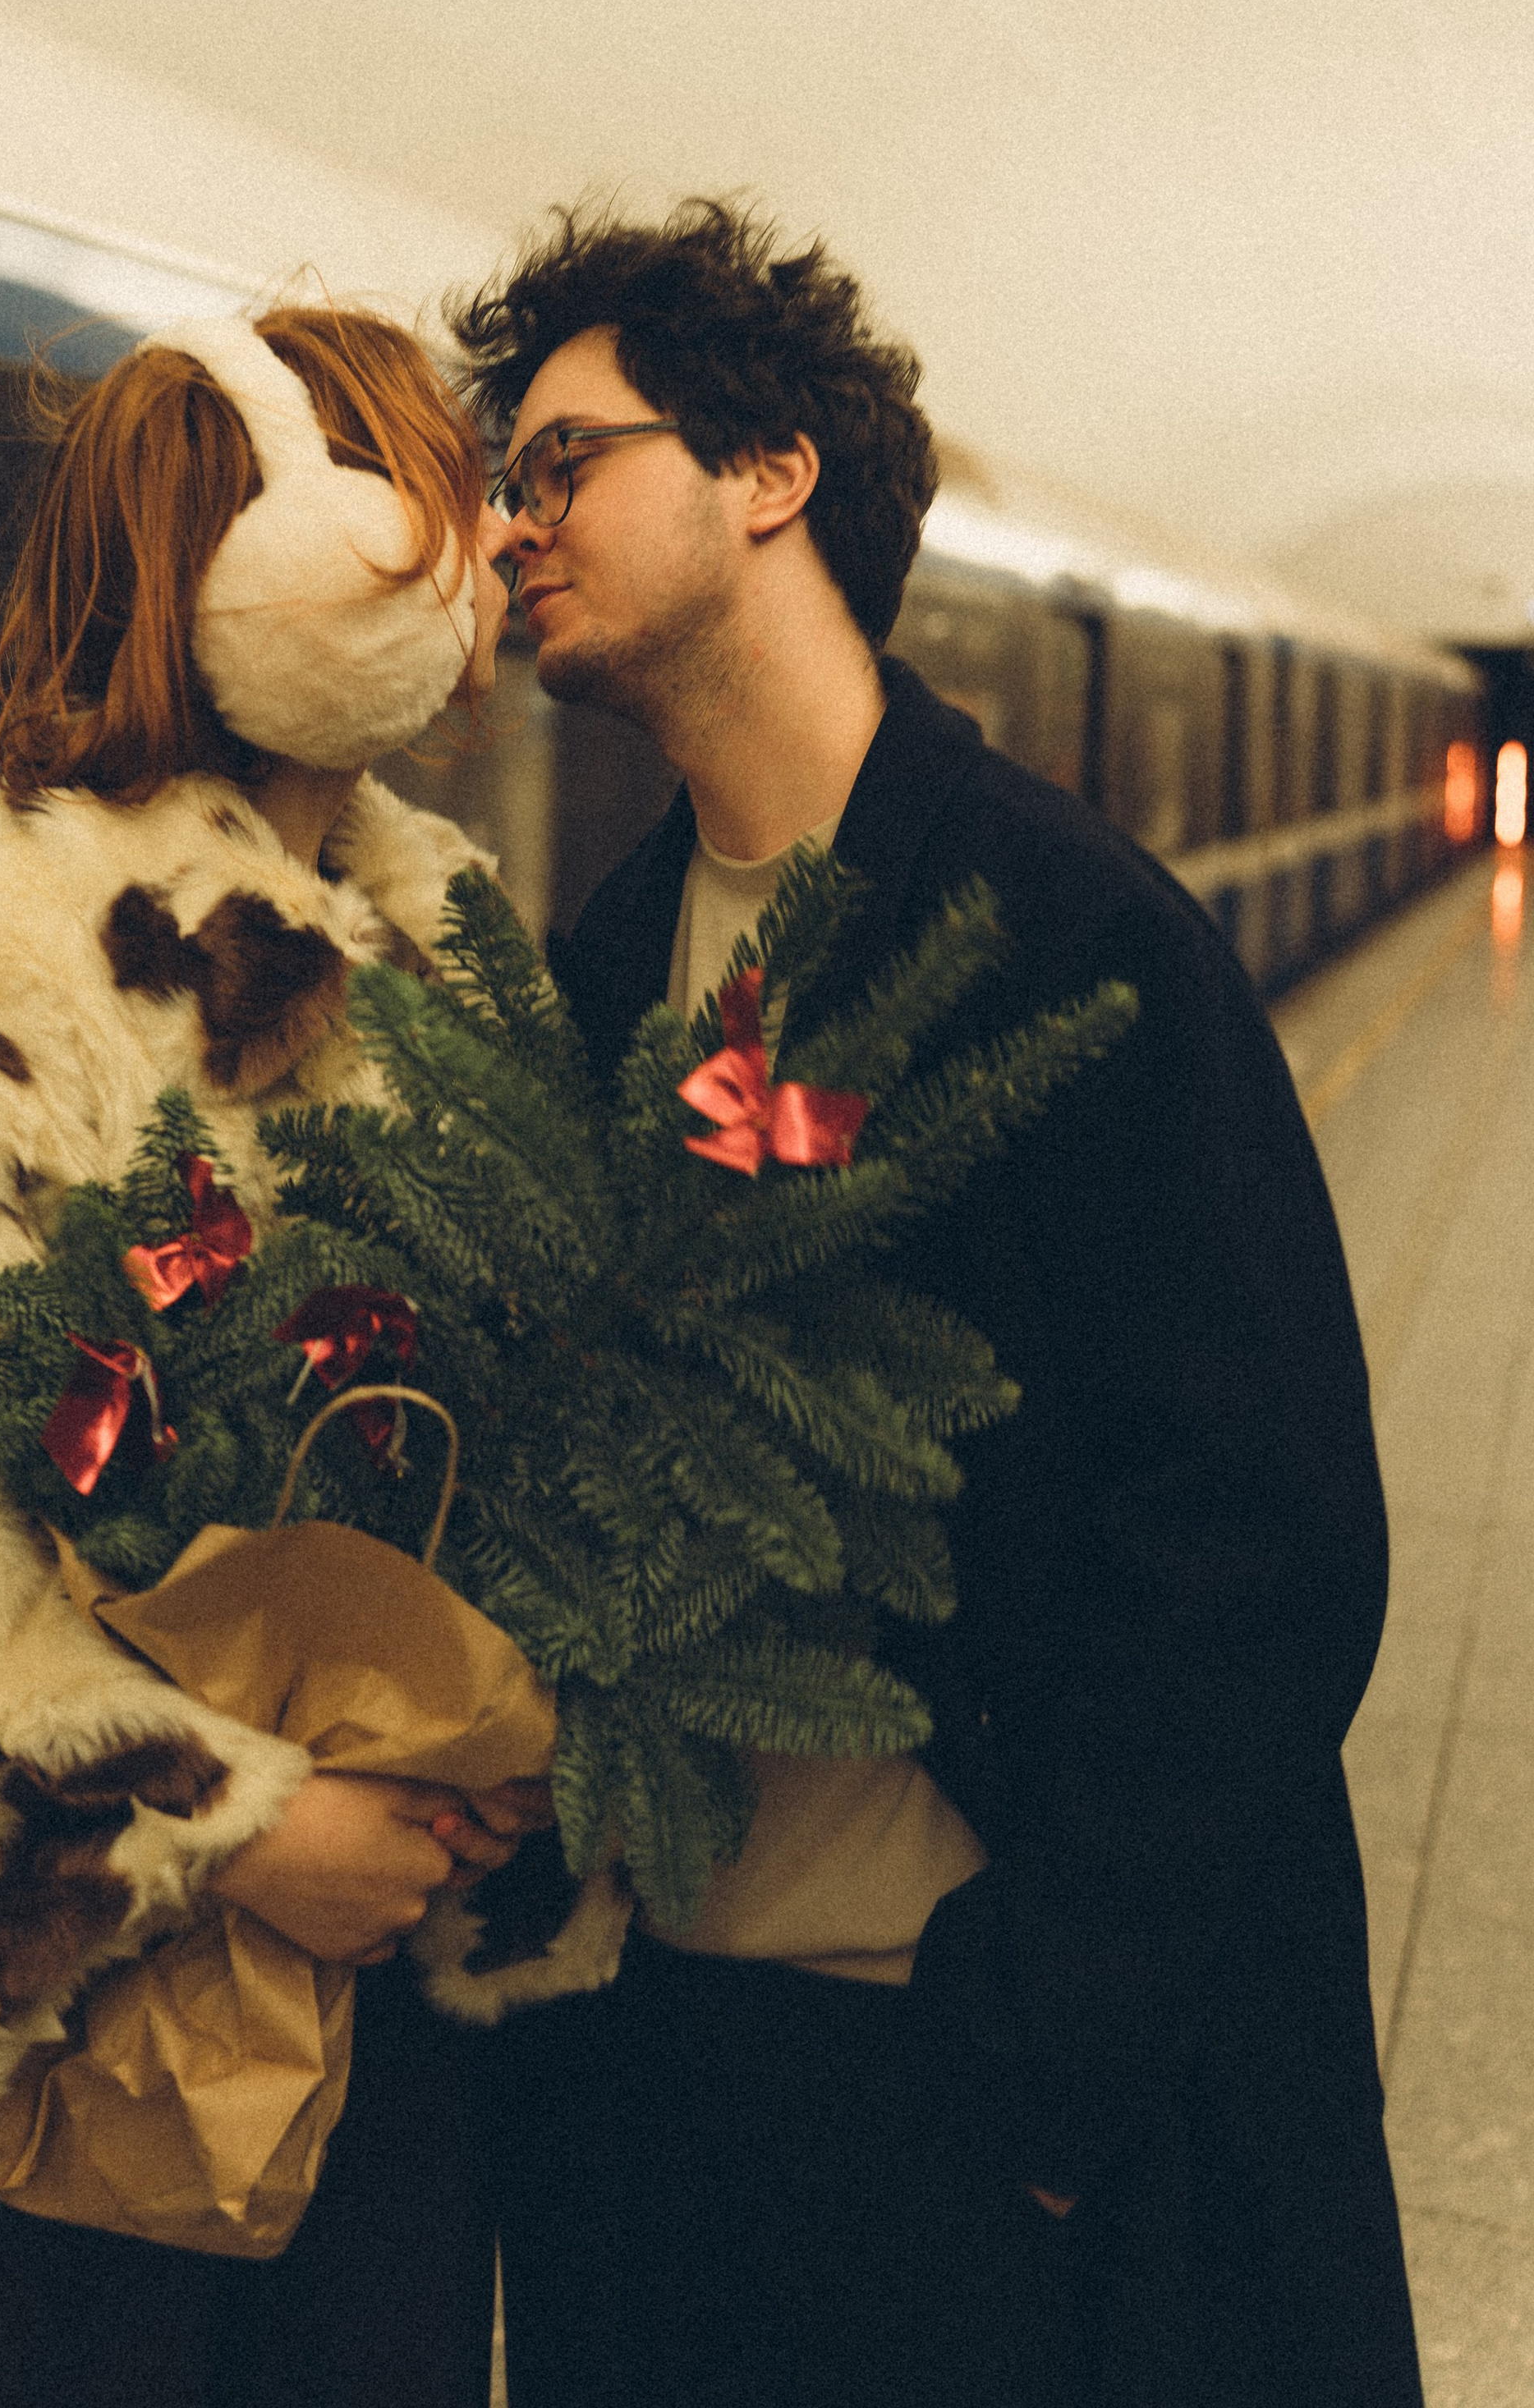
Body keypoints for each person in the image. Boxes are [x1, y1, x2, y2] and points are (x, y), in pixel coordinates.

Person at [452, 203, 1423, 2408]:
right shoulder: (611, 962)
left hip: (957, 2077)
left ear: (770, 470)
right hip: (663, 2072)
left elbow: (1269, 1542)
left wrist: (1039, 2054)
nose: (517, 529)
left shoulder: (1073, 938)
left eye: (565, 461)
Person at [0, 303, 541, 2408]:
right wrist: (229, 1826)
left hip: (380, 2037)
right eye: (429, 494)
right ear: (273, 561)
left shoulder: (452, 963)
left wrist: (477, 1763)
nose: (484, 546)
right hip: (63, 2085)